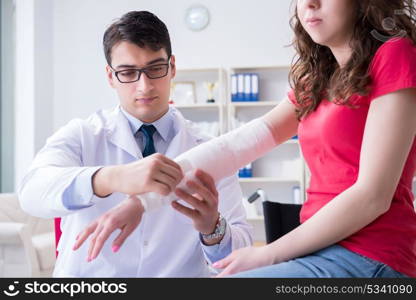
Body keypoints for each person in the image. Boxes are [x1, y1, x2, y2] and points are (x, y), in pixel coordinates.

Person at [76, 0, 416, 278]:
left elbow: (373, 196)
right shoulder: (317, 78)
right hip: (319, 250)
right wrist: (141, 202)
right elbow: (239, 145)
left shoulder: (394, 54)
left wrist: (266, 254)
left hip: (373, 255)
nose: (309, 4)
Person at [18, 11, 252, 277]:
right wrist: (111, 178)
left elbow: (239, 256)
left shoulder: (210, 149)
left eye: (155, 69)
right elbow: (31, 193)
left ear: (172, 67)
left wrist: (213, 228)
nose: (145, 86)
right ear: (110, 76)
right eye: (128, 72)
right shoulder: (83, 135)